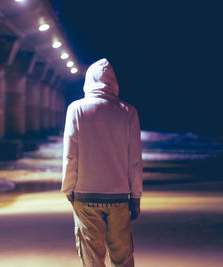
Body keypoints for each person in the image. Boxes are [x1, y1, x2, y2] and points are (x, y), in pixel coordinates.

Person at [62, 58, 143, 267]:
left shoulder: (76, 109)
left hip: (85, 196)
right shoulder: (129, 112)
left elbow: (71, 155)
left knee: (92, 260)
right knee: (123, 259)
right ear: (114, 82)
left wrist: (68, 189)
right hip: (119, 197)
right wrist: (135, 196)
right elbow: (134, 160)